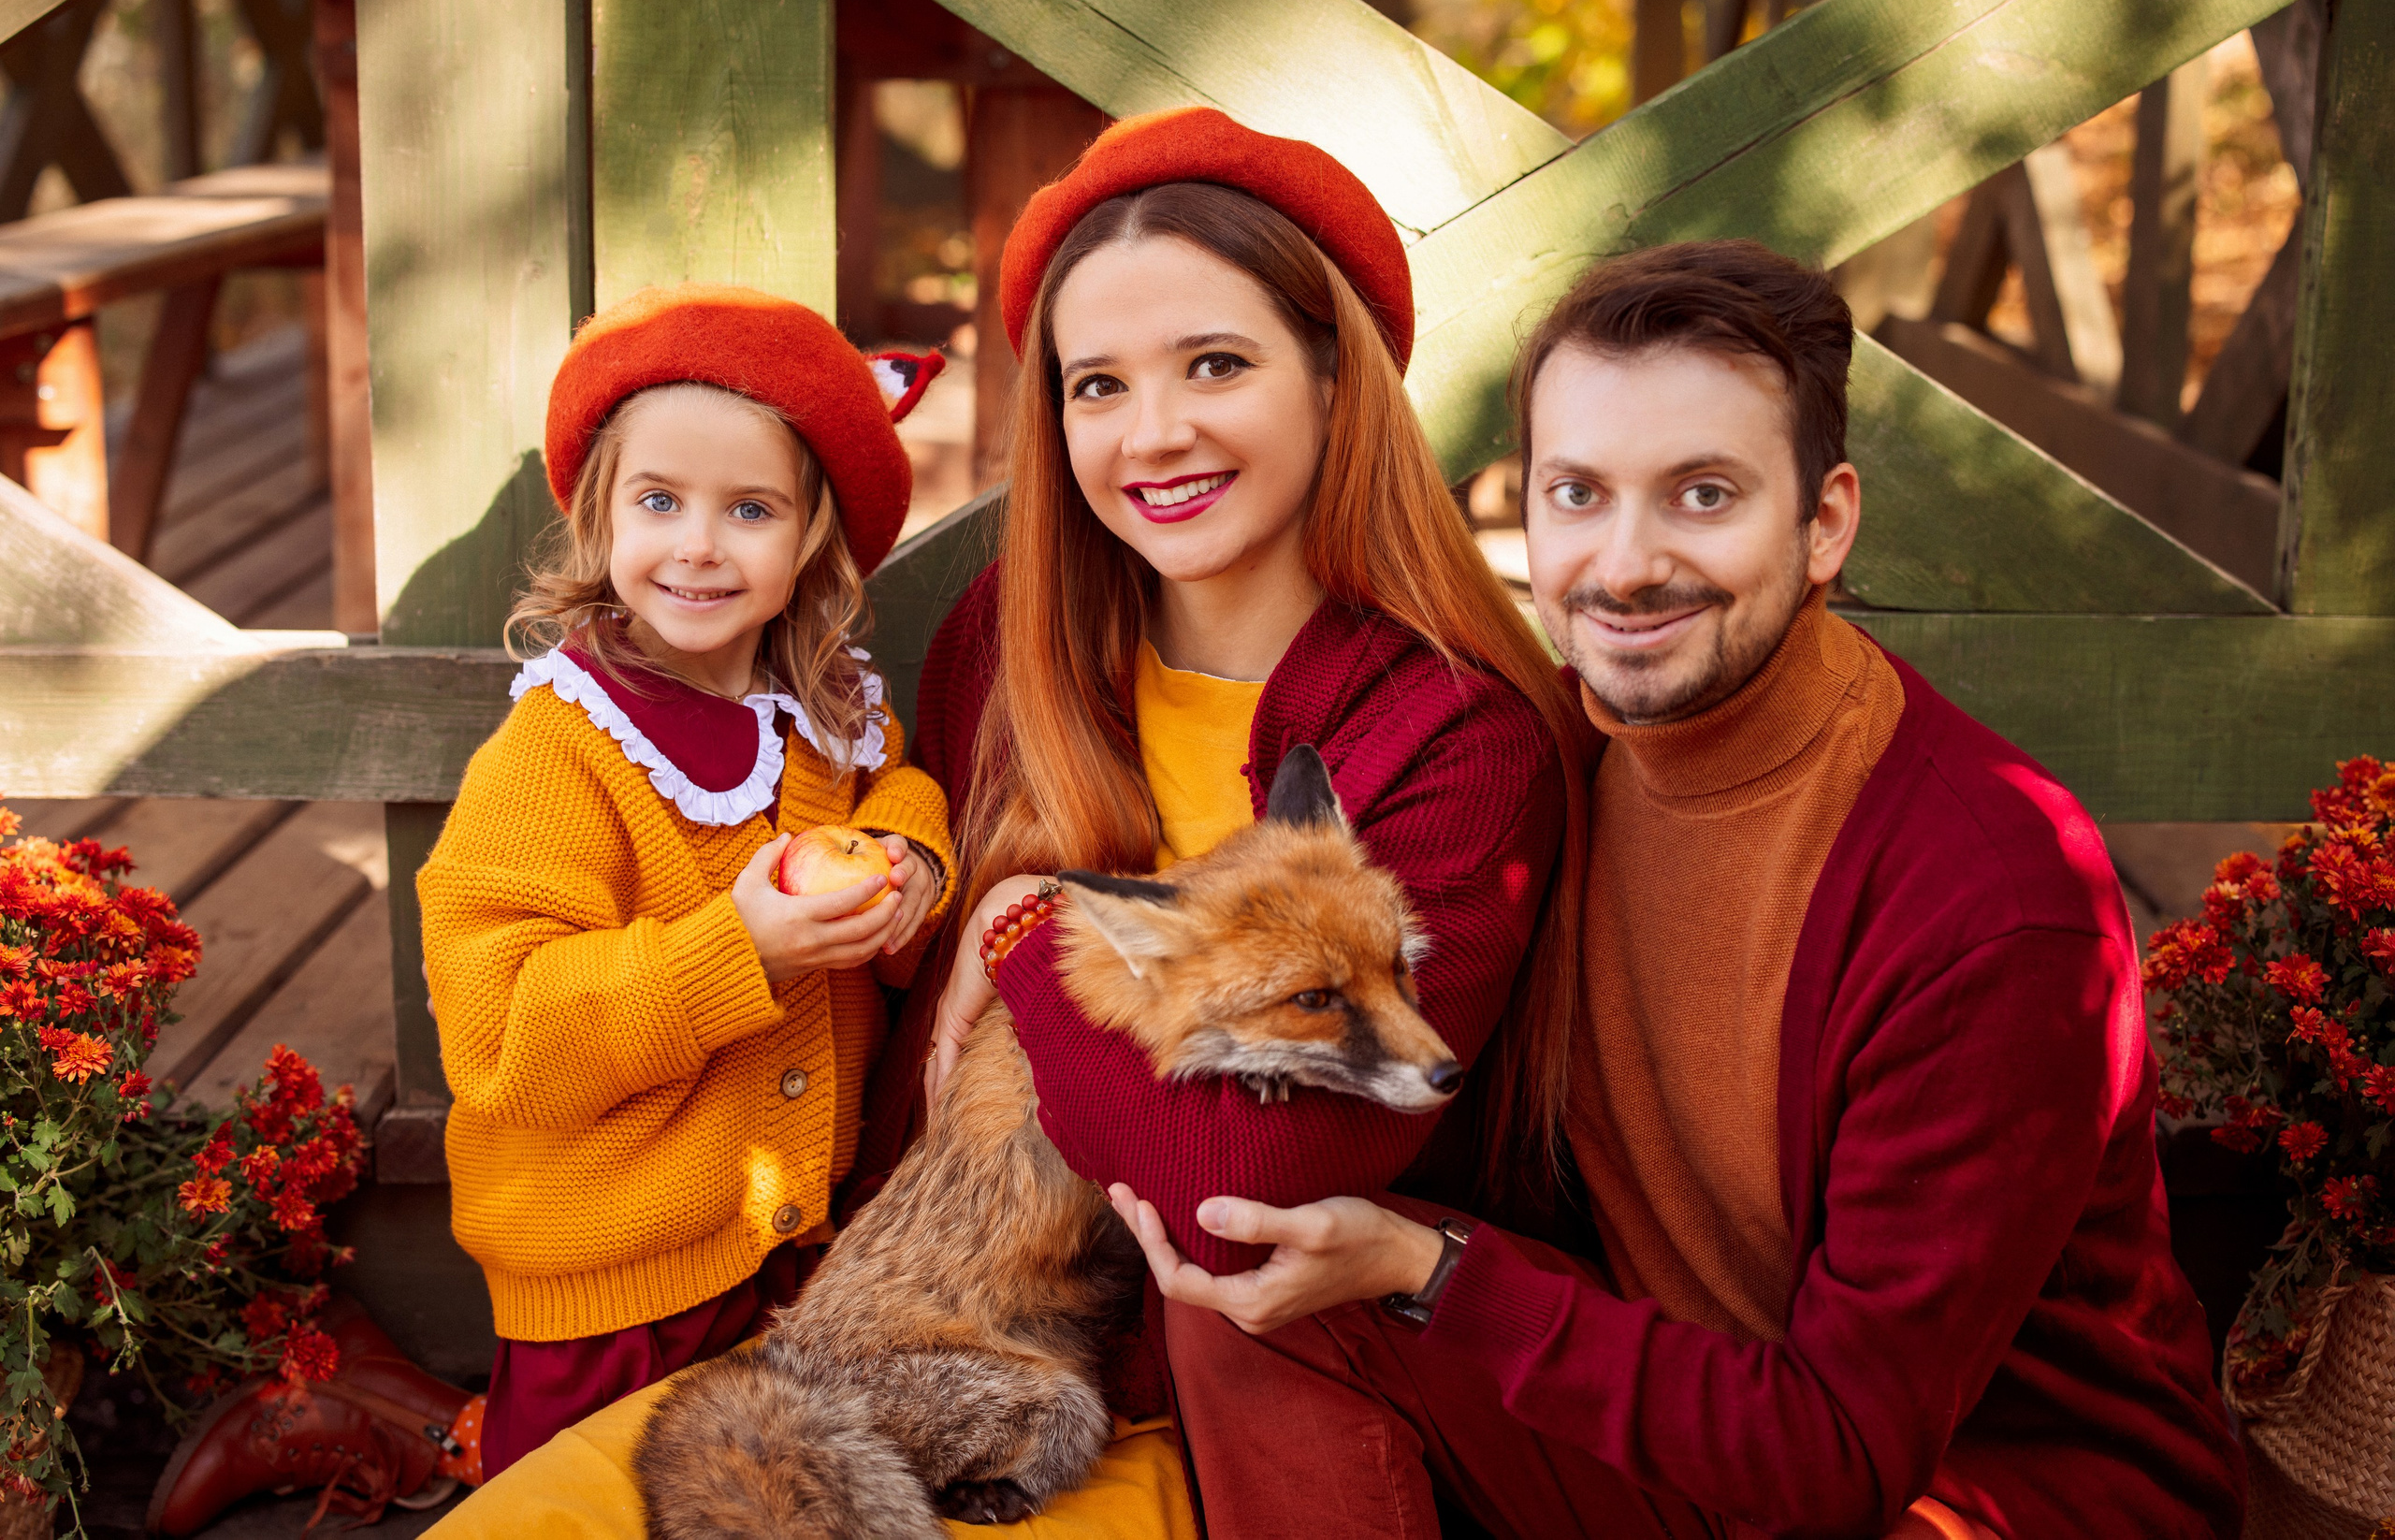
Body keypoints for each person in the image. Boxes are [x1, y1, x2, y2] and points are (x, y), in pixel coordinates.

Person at [1107, 241, 2245, 1537]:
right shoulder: (1557, 753)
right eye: (1578, 494)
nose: (1627, 565)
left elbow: (1841, 1455)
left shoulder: (1988, 897)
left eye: (1702, 496)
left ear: (1826, 524)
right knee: (1264, 1292)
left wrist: (1432, 1273)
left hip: (1969, 1492)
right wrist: (1024, 921)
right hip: (1679, 1409)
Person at [899, 103, 1586, 1353]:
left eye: (1216, 364)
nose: (1153, 433)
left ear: (1336, 381)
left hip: (1274, 1371)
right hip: (957, 1327)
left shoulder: (1463, 736)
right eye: (1097, 385)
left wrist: (1022, 928)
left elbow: (1246, 1192)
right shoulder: (1009, 639)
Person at [414, 285, 954, 1478]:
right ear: (600, 516)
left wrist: (911, 857)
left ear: (813, 535)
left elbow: (892, 792)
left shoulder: (825, 705)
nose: (699, 545)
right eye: (659, 501)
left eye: (749, 508)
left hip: (791, 1248)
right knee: (594, 1506)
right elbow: (501, 1033)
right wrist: (740, 953)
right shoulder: (560, 750)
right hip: (612, 1284)